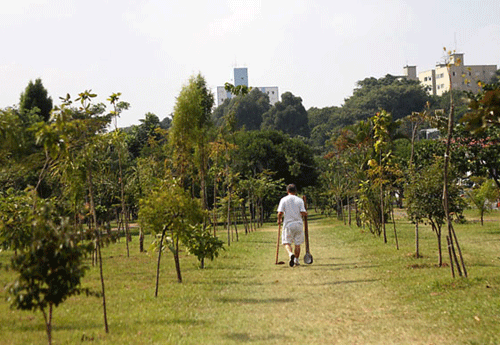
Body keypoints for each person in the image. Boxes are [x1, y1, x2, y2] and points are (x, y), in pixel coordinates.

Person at [277, 184, 307, 267]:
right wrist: (306, 213)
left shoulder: (283, 200)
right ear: (295, 191)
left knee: (286, 242)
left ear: (287, 191)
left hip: (288, 224)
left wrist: (279, 219)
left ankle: (290, 254)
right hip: (298, 224)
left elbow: (280, 212)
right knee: (297, 244)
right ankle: (296, 260)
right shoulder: (299, 200)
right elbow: (303, 212)